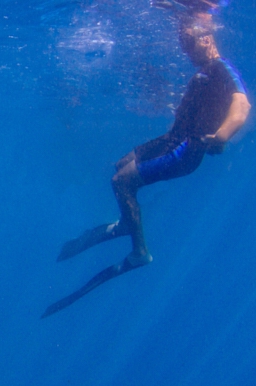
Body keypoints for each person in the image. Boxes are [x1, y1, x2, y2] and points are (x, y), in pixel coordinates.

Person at [43, 7, 250, 318]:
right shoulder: (207, 69)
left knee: (121, 181)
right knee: (120, 165)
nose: (185, 52)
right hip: (170, 141)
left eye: (188, 44)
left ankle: (139, 250)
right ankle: (129, 221)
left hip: (184, 152)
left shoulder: (222, 68)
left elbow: (242, 104)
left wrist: (222, 136)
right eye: (182, 45)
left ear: (207, 39)